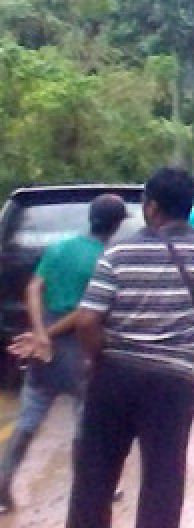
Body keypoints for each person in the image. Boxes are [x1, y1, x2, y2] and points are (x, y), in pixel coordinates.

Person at [66, 167, 194, 528]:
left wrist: (98, 357)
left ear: (151, 208)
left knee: (94, 481)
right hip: (173, 384)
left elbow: (86, 321)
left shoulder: (118, 254)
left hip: (114, 377)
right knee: (163, 482)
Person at [0, 195, 128, 515]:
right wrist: (52, 333)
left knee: (30, 416)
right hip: (80, 347)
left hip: (45, 347)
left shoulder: (59, 248)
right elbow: (87, 310)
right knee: (86, 420)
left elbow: (33, 288)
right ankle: (90, 486)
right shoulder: (106, 258)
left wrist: (41, 331)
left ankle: (3, 482)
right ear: (117, 224)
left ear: (91, 217)